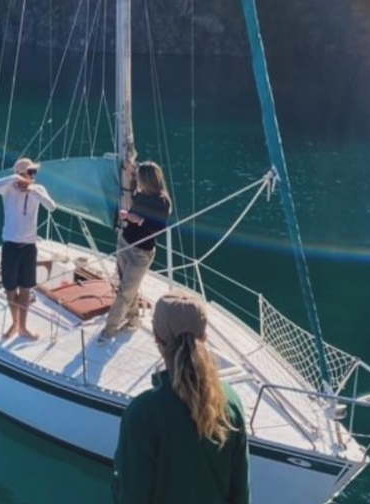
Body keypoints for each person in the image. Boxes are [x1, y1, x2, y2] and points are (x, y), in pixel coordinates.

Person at [112, 291, 251, 504]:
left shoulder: (143, 412)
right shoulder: (230, 401)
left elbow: (132, 494)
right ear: (204, 337)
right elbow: (240, 491)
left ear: (157, 338)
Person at [99, 161, 171, 343]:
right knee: (124, 286)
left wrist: (137, 220)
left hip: (141, 252)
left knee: (125, 292)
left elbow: (159, 228)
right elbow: (131, 184)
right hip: (125, 243)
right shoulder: (141, 194)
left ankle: (109, 329)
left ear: (147, 180)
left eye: (139, 176)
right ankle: (132, 319)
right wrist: (130, 169)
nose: (136, 179)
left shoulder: (161, 202)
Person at [0, 157, 56, 340]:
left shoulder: (38, 190)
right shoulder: (8, 189)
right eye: (30, 172)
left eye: (35, 172)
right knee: (11, 289)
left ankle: (23, 327)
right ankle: (15, 323)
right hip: (10, 245)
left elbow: (51, 207)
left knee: (26, 289)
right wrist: (14, 179)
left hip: (28, 246)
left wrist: (35, 191)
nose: (33, 176)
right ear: (20, 174)